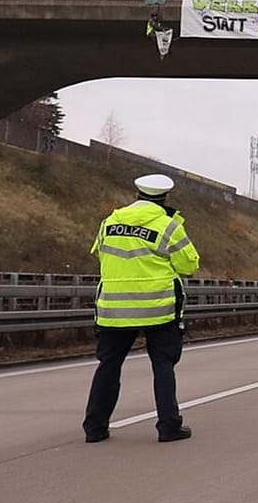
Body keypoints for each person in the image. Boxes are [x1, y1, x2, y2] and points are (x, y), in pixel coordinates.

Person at [83, 174, 200, 444]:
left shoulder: (109, 222)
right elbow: (189, 266)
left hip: (114, 308)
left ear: (136, 195)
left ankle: (95, 427)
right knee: (163, 364)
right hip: (157, 308)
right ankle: (168, 426)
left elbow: (101, 255)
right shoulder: (168, 226)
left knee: (109, 365)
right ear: (165, 198)